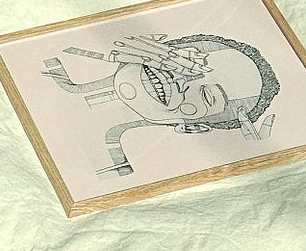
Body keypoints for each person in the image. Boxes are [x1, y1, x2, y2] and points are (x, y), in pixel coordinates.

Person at [43, 30, 280, 176]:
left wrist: (251, 164)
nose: (181, 79)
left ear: (192, 127)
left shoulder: (109, 174)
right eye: (189, 62)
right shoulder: (49, 55)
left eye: (207, 96)